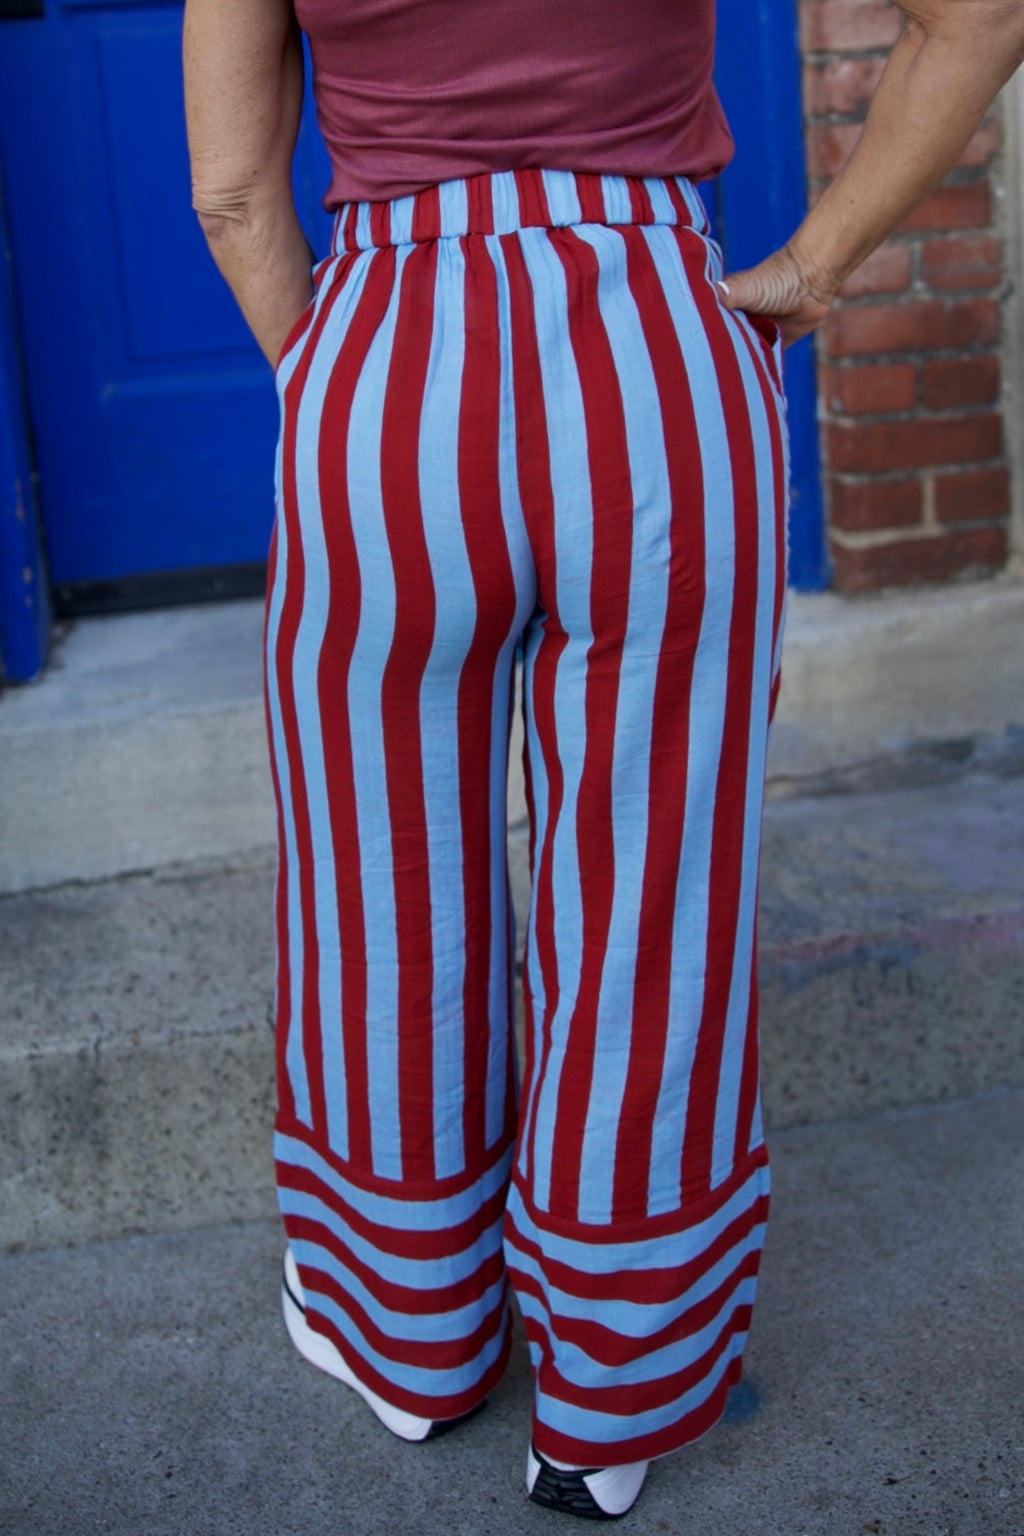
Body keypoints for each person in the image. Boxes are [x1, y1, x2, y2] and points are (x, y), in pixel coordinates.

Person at [183, 0, 1024, 1519]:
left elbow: (236, 190)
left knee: (382, 884)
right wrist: (812, 266)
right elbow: (977, 16)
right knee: (653, 891)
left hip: (387, 366)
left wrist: (341, 381)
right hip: (655, 354)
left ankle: (410, 1334)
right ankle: (611, 1395)